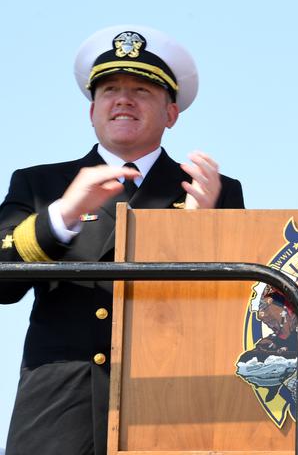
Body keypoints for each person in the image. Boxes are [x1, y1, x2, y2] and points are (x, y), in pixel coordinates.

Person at [0, 25, 245, 455]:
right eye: (110, 89)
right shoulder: (40, 184)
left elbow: (241, 316)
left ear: (171, 113)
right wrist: (63, 214)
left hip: (170, 406)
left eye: (142, 90)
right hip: (59, 413)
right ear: (91, 110)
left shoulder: (214, 190)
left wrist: (199, 232)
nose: (123, 99)